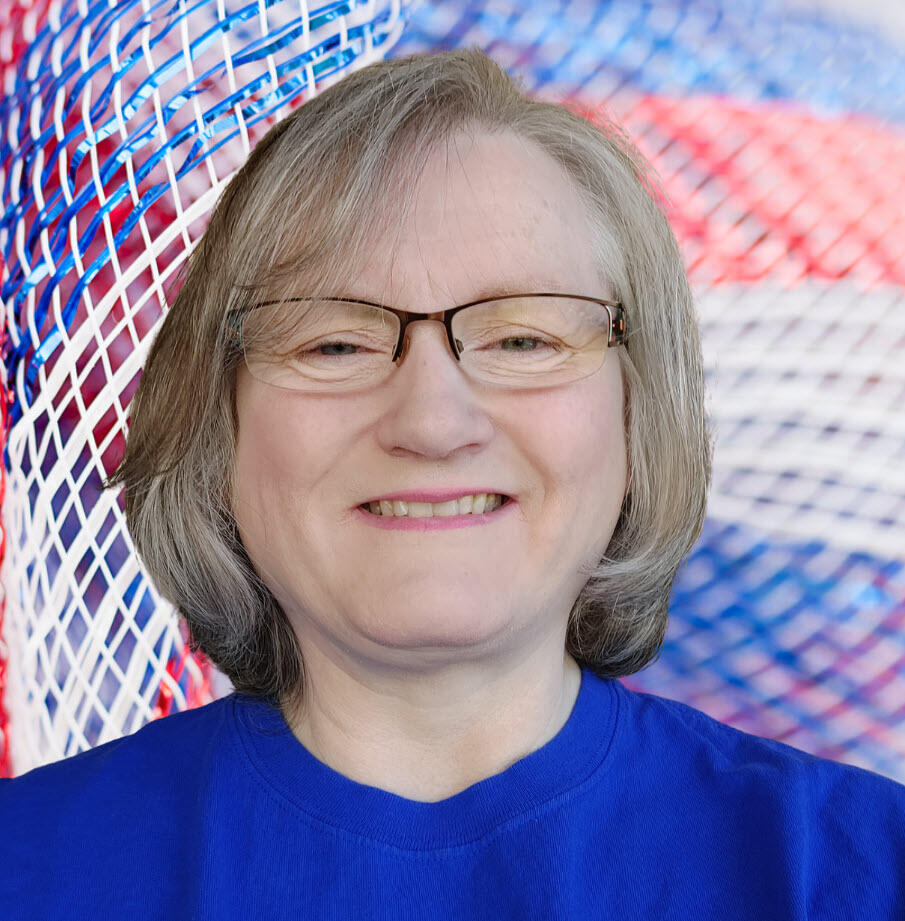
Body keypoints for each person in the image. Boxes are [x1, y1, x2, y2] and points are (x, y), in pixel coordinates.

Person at [1, 47, 903, 919]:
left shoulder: (863, 871)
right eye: (335, 344)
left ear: (636, 413)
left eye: (523, 339)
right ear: (216, 421)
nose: (433, 422)